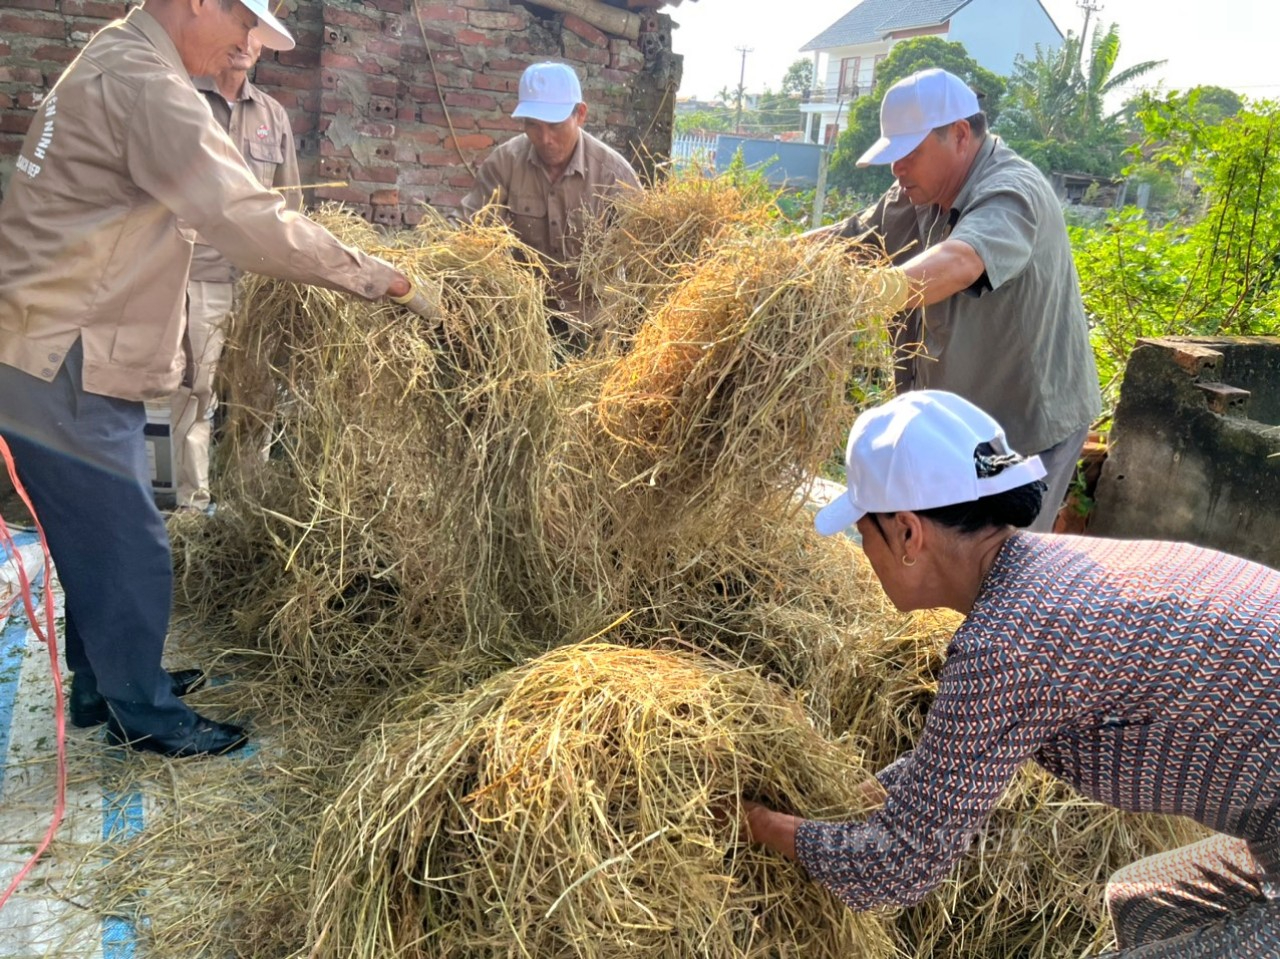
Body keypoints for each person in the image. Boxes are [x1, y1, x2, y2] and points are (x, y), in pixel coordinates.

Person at [0, 0, 437, 758]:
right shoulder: (148, 84)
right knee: (130, 539)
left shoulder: (113, 57)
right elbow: (244, 219)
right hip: (65, 345)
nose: (247, 45)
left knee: (95, 533)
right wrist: (380, 280)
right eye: (244, 25)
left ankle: (105, 683)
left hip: (58, 334)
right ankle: (147, 716)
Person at [742, 391, 1280, 957]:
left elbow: (898, 866)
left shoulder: (1008, 643)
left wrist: (756, 823)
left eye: (862, 530)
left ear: (906, 533)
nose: (864, 550)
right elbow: (961, 759)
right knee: (1141, 901)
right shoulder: (1042, 576)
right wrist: (869, 794)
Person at [812, 68, 1101, 531]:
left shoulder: (1011, 190)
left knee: (1007, 555)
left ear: (960, 135)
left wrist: (859, 298)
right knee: (954, 547)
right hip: (962, 427)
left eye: (909, 152)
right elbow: (846, 240)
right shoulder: (913, 195)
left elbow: (962, 261)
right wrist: (763, 260)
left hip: (1025, 428)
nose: (896, 167)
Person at [171, 32, 300, 514]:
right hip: (200, 274)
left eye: (255, 37)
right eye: (239, 30)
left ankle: (246, 503)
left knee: (258, 394)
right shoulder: (183, 99)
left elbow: (291, 201)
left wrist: (289, 273)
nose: (244, 44)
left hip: (258, 282)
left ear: (263, 47)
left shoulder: (273, 116)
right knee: (196, 389)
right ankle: (191, 505)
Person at [460, 61, 640, 348]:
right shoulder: (504, 163)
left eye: (555, 126)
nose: (545, 139)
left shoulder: (614, 175)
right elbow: (469, 237)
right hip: (522, 328)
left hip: (594, 331)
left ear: (580, 114)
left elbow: (641, 264)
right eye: (532, 125)